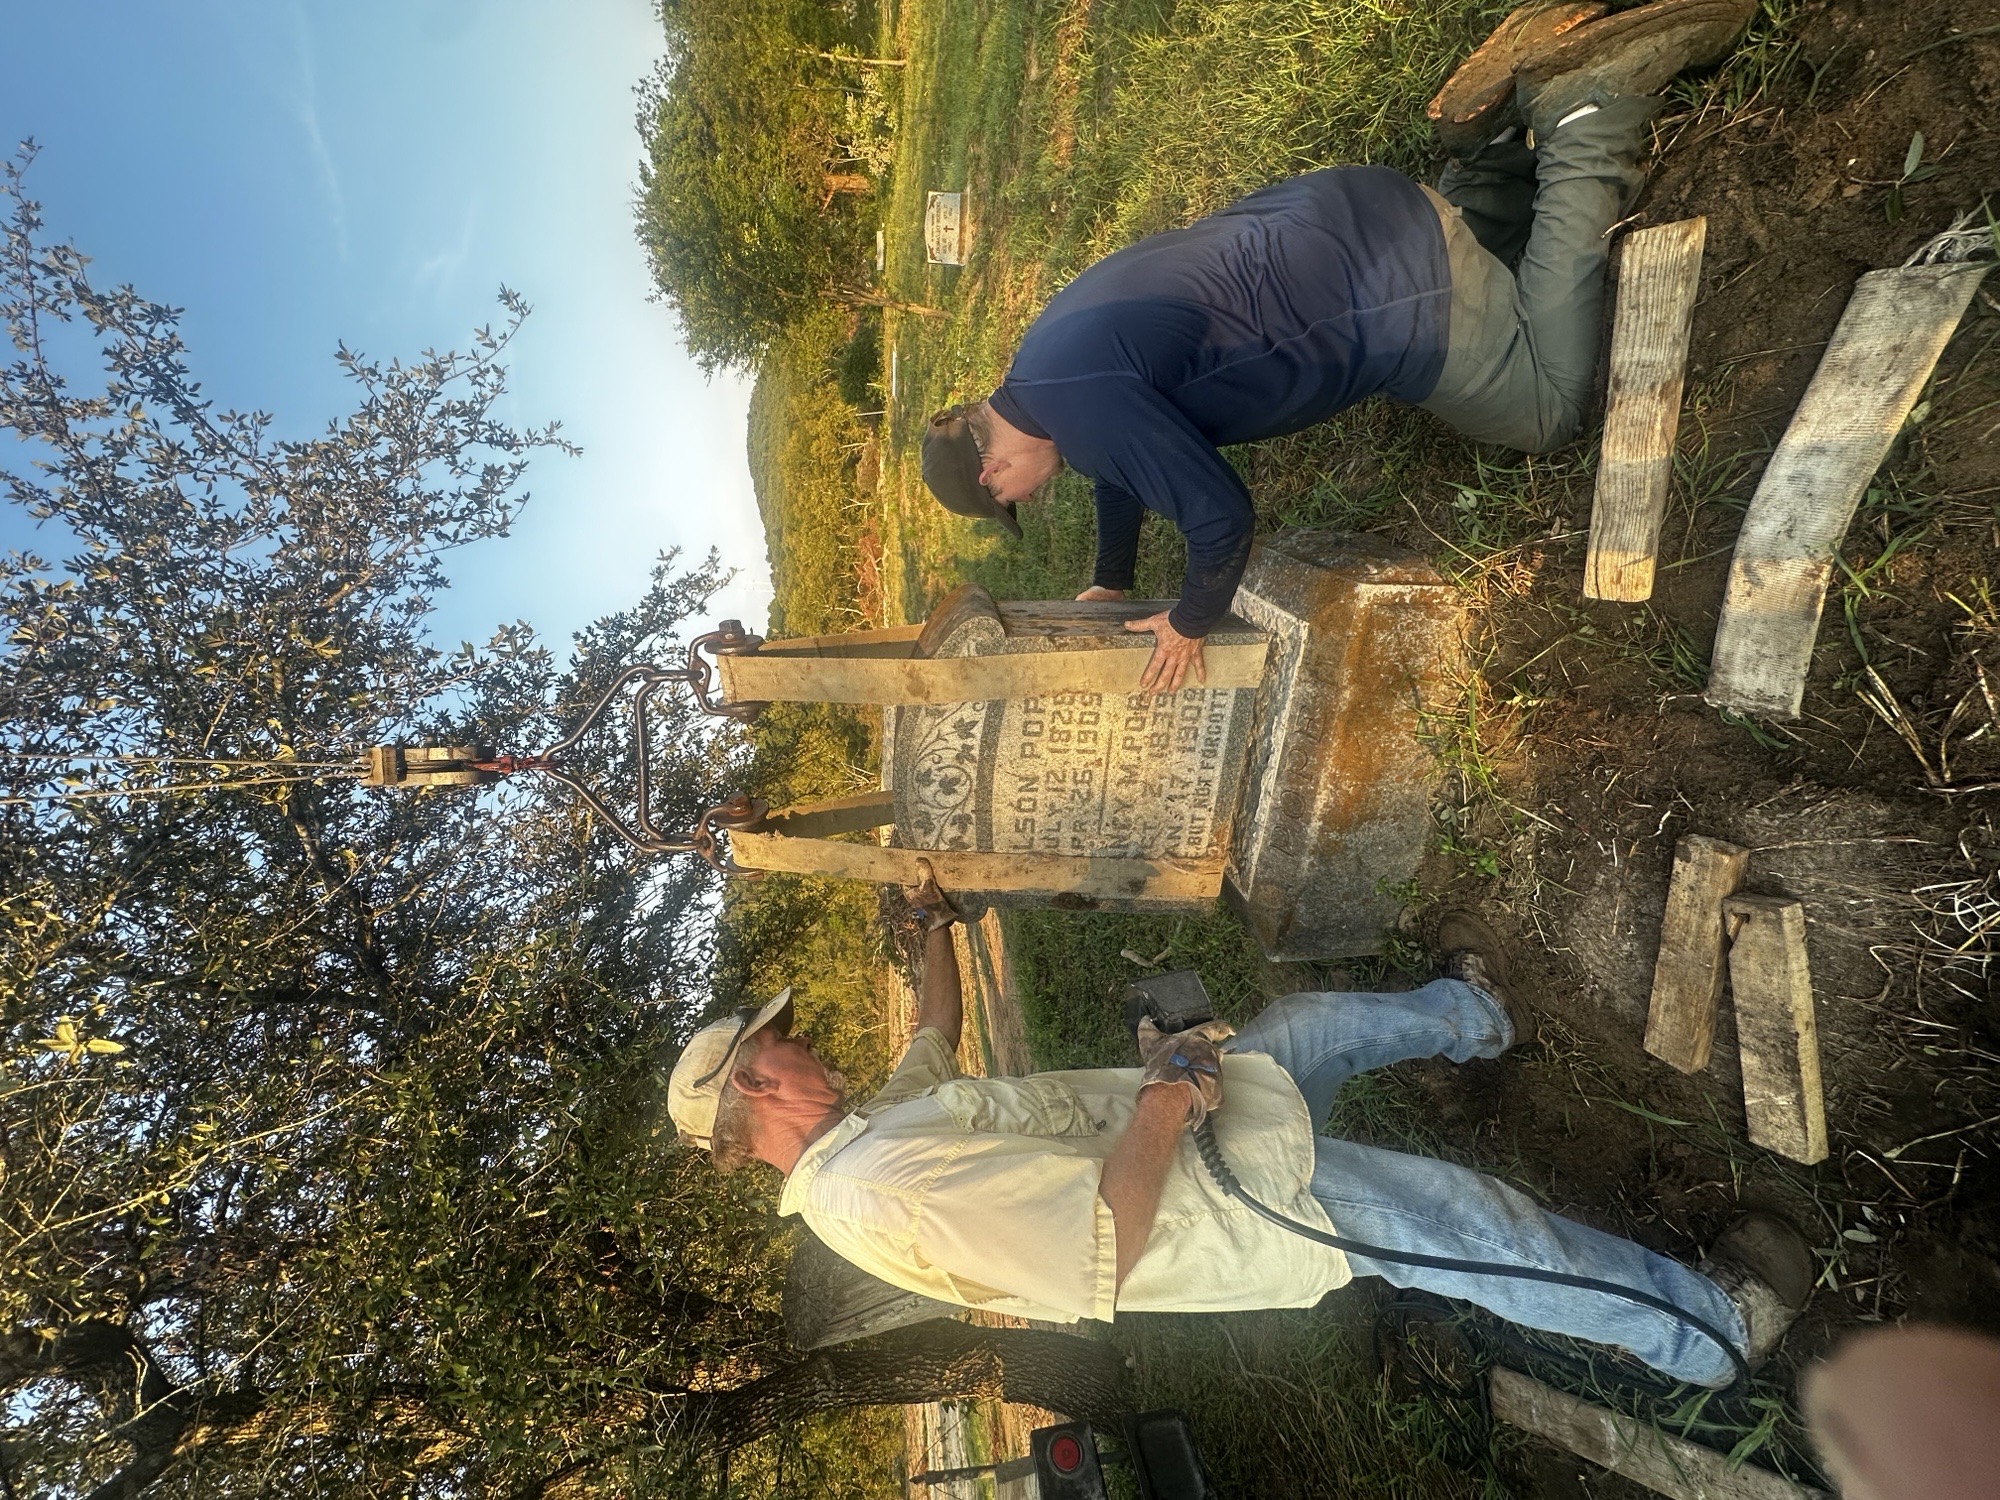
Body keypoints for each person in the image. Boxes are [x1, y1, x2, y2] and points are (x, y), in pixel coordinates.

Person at [668, 867, 1813, 1389]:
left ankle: (1478, 1018)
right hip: (1234, 1205)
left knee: (1303, 1028)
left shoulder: (867, 1133)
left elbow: (934, 1030)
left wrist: (930, 923)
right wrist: (1164, 1091)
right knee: (1475, 1228)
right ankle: (1711, 1333)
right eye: (783, 1044)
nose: (804, 1043)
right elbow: (1092, 1248)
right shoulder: (881, 1189)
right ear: (758, 1089)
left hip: (1205, 1122)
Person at [919, 0, 1756, 692]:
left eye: (1013, 500)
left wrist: (1188, 621)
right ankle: (1489, 156)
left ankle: (1586, 113)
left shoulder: (1087, 412)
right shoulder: (1048, 363)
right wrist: (1111, 574)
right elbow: (1121, 467)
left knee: (1543, 409)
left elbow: (1220, 519)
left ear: (994, 473)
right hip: (1355, 210)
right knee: (1485, 273)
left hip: (1392, 295)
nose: (1031, 495)